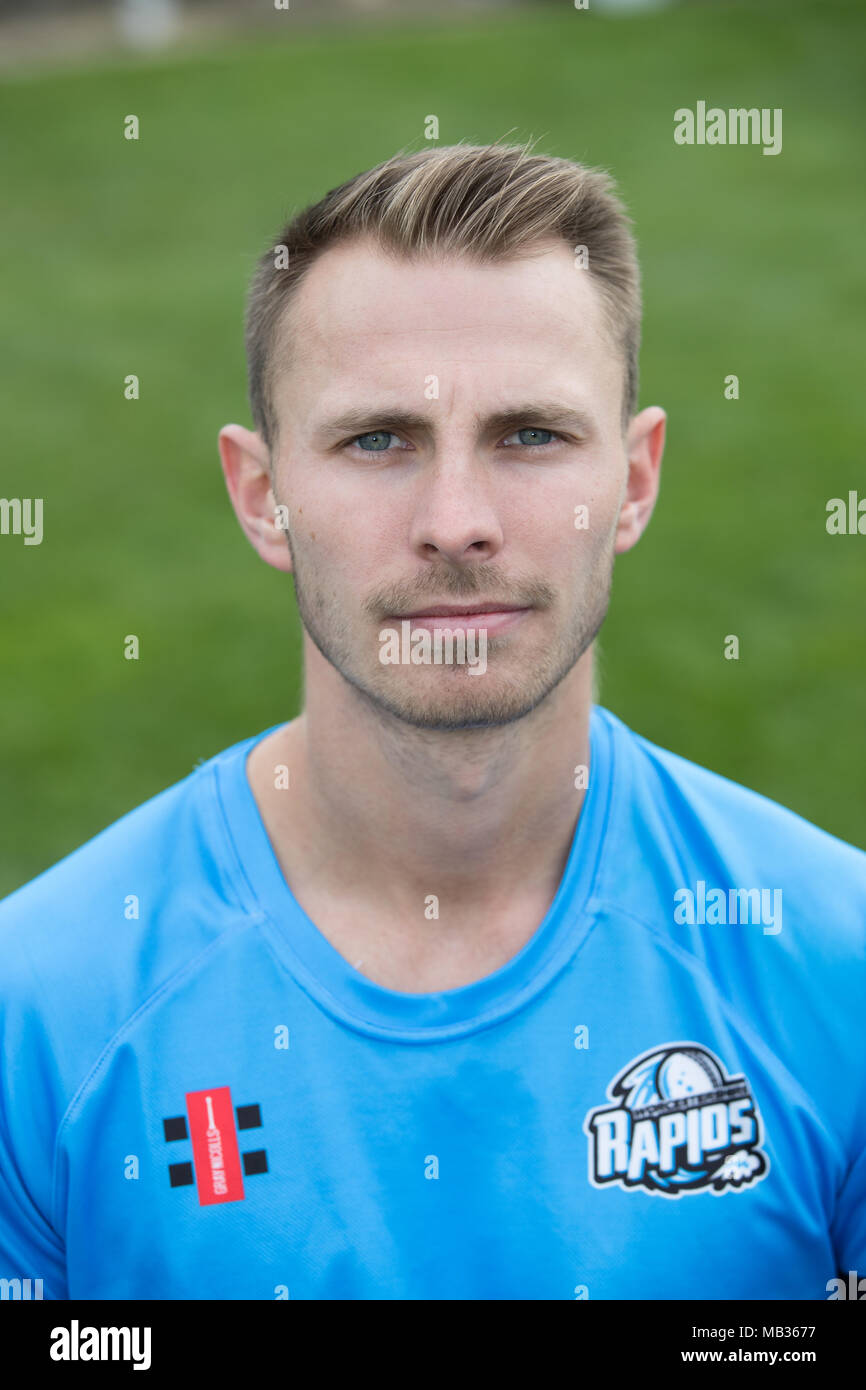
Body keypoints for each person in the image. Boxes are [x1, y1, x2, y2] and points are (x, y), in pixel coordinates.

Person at [1, 142, 863, 1301]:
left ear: (635, 481)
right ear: (264, 498)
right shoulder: (42, 1014)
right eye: (377, 441)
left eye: (528, 436)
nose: (455, 523)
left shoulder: (833, 966)